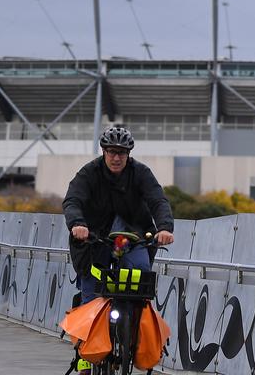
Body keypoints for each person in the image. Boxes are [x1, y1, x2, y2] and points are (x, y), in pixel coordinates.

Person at [62, 125, 174, 305]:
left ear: (128, 154)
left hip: (133, 237)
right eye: (112, 152)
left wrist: (164, 228)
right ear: (104, 151)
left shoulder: (141, 173)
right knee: (92, 294)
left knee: (140, 276)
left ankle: (133, 327)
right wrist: (78, 224)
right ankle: (89, 331)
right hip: (94, 238)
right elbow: (73, 200)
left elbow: (158, 201)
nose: (116, 158)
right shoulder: (89, 173)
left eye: (122, 153)